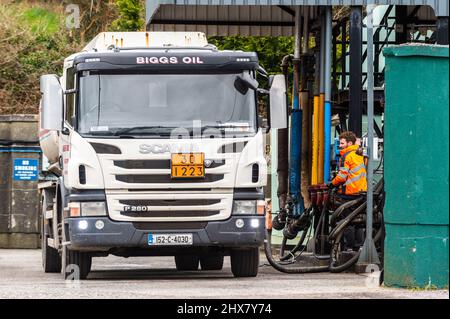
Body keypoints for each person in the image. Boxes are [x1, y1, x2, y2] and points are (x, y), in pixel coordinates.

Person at [327, 131, 367, 251]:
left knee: (347, 221)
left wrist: (331, 184)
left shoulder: (347, 156)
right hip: (362, 193)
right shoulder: (360, 154)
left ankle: (348, 248)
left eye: (342, 143)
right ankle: (358, 247)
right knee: (359, 222)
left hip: (349, 194)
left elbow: (342, 176)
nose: (340, 145)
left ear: (349, 143)